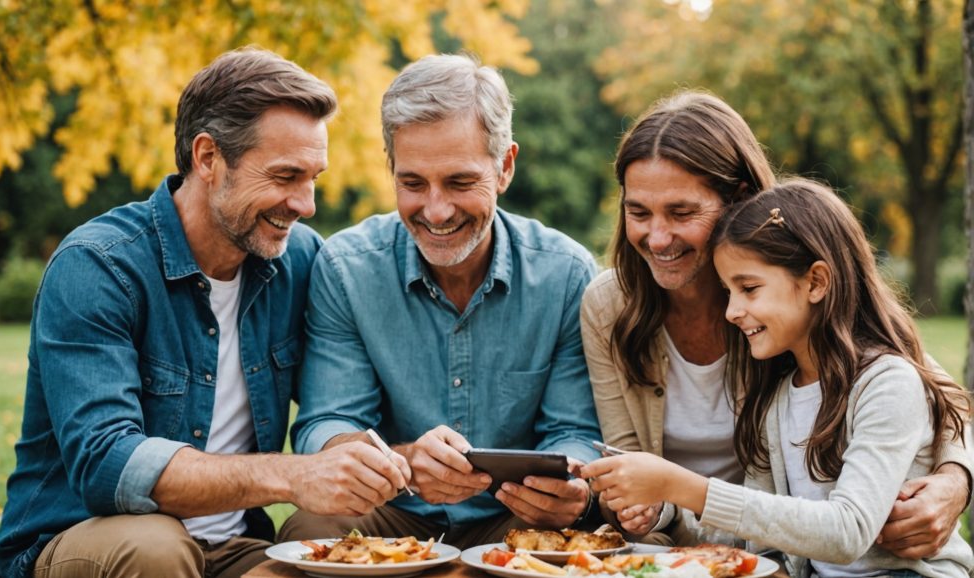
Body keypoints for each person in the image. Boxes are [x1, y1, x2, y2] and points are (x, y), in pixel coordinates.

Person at [0, 47, 411, 578]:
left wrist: (384, 453)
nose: (305, 204)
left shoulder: (298, 260)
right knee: (156, 547)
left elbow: (337, 401)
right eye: (285, 177)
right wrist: (293, 475)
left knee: (335, 560)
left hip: (234, 548)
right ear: (208, 158)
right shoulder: (98, 266)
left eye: (313, 179)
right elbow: (106, 463)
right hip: (90, 539)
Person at [579, 90, 971, 552]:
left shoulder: (800, 307)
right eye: (638, 212)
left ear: (739, 198)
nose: (658, 238)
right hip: (702, 548)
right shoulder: (609, 307)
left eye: (682, 212)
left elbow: (940, 400)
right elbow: (630, 469)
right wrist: (653, 506)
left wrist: (955, 483)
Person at [280, 53, 602, 548]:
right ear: (391, 168)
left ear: (505, 167)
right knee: (308, 529)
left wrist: (571, 485)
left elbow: (574, 429)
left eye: (460, 181)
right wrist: (401, 461)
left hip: (514, 519)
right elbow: (328, 421)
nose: (435, 210)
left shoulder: (566, 274)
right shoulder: (347, 268)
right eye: (412, 183)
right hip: (389, 511)